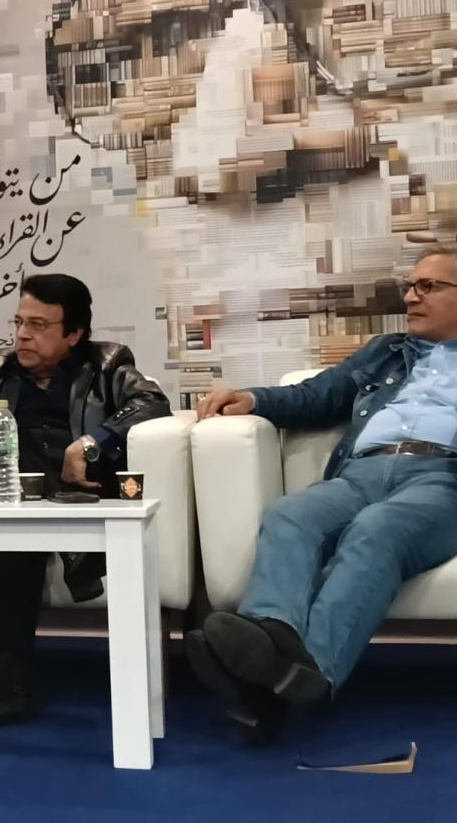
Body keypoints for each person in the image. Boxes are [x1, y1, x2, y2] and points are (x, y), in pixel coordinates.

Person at [189, 245, 457, 741]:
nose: (410, 297)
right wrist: (251, 398)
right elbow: (317, 395)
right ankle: (272, 646)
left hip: (440, 480)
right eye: (409, 286)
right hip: (361, 473)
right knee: (291, 514)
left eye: (428, 286)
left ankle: (300, 673)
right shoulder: (387, 352)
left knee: (378, 530)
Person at [0, 274, 170, 725]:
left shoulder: (107, 367)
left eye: (39, 325)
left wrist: (90, 444)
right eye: (19, 322)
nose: (22, 335)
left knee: (15, 531)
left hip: (63, 497)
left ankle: (8, 674)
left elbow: (151, 403)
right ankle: (74, 561)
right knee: (11, 469)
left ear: (74, 334)